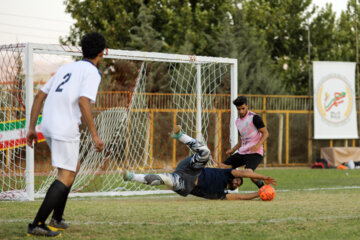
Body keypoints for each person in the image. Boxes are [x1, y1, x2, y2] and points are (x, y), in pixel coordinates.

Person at [26, 32, 106, 237]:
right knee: (66, 174)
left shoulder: (66, 68)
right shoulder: (92, 72)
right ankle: (37, 223)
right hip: (64, 126)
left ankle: (57, 218)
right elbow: (83, 101)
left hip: (49, 125)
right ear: (102, 52)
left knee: (73, 168)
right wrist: (95, 136)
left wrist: (32, 128)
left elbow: (39, 96)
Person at [123, 126, 276, 200]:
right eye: (238, 181)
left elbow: (240, 197)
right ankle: (180, 135)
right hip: (191, 168)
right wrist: (263, 177)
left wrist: (259, 193)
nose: (237, 183)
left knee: (163, 179)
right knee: (205, 153)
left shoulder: (220, 194)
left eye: (238, 185)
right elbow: (244, 172)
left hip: (185, 184)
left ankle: (131, 176)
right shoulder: (225, 173)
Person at [219, 96, 269, 189]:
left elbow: (266, 133)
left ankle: (264, 189)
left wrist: (257, 145)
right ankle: (226, 186)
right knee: (222, 167)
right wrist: (233, 150)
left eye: (243, 108)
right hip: (243, 152)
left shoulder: (254, 118)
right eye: (239, 109)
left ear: (247, 106)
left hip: (255, 153)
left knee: (249, 174)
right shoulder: (237, 121)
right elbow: (241, 140)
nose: (241, 111)